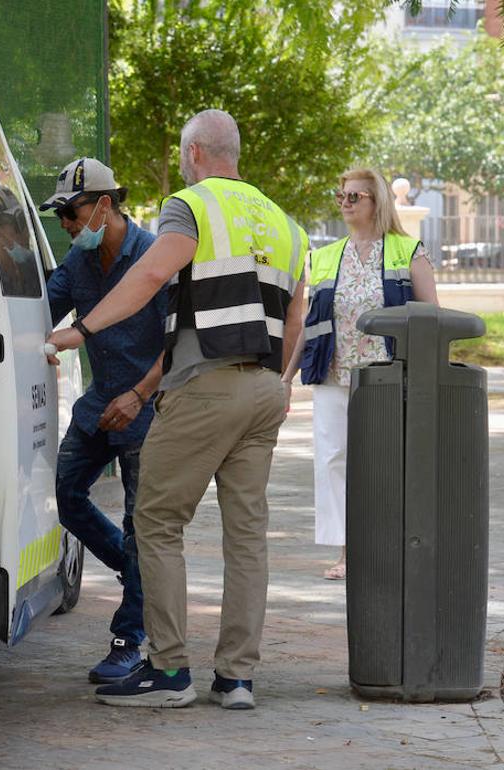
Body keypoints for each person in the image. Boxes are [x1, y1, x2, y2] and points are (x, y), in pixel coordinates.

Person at [46, 110, 307, 710]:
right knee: (248, 538)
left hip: (204, 384)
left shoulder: (190, 206)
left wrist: (81, 330)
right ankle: (237, 679)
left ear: (193, 153)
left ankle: (168, 672)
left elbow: (153, 272)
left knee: (157, 523)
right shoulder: (285, 223)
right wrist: (279, 381)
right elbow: (296, 316)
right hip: (266, 388)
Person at [40, 158, 165, 683]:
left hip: (147, 411)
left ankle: (128, 639)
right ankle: (136, 575)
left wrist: (138, 396)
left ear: (105, 205)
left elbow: (180, 344)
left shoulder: (157, 257)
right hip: (97, 408)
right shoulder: (77, 261)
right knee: (64, 495)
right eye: (62, 216)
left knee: (144, 529)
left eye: (71, 212)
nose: (66, 224)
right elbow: (40, 310)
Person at [281, 169, 439, 580]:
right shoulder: (327, 255)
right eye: (341, 196)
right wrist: (286, 379)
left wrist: (431, 376)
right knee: (333, 461)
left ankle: (393, 549)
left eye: (355, 196)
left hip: (388, 377)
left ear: (376, 201)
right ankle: (348, 554)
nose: (346, 202)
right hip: (334, 375)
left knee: (387, 463)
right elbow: (312, 323)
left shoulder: (409, 250)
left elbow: (431, 319)